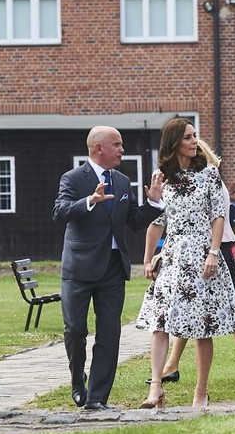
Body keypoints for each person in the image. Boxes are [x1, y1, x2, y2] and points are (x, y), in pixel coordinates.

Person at [53, 126, 165, 411]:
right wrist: (90, 200)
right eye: (117, 145)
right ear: (98, 148)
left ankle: (97, 398)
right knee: (75, 330)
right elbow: (60, 212)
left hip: (113, 270)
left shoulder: (123, 181)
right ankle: (78, 380)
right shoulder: (73, 178)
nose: (122, 150)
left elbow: (135, 221)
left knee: (109, 334)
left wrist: (153, 202)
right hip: (79, 269)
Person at [135, 118, 235, 409]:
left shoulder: (209, 174)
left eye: (194, 136)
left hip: (201, 252)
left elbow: (218, 216)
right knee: (159, 323)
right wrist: (147, 258)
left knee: (201, 326)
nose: (194, 141)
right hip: (171, 256)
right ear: (174, 143)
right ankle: (156, 387)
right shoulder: (161, 177)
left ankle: (201, 390)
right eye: (188, 137)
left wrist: (213, 252)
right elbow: (156, 221)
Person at [150, 137, 235, 388]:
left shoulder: (211, 180)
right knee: (189, 308)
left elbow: (217, 217)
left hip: (216, 248)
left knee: (229, 309)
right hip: (191, 251)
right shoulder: (176, 179)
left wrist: (210, 250)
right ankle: (171, 365)